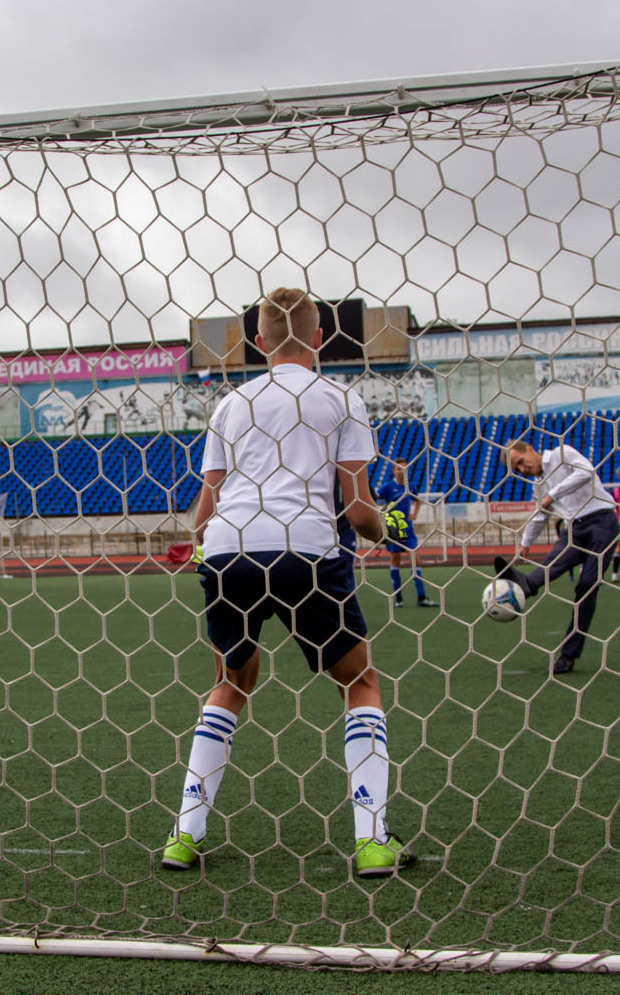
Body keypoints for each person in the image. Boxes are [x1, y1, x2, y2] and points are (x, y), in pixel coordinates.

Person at [164, 287, 417, 879]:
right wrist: (389, 528)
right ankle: (373, 839)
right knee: (359, 680)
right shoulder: (340, 399)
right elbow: (358, 512)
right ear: (321, 338)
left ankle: (184, 834)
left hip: (229, 550)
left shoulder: (231, 405)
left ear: (258, 343)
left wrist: (217, 554)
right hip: (305, 547)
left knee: (231, 683)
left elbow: (202, 517)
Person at [492, 440, 620, 675]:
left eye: (520, 462)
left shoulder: (563, 453)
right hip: (575, 529)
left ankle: (568, 656)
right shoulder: (539, 485)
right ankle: (525, 586)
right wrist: (525, 544)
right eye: (517, 469)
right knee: (552, 563)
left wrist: (552, 494)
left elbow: (586, 472)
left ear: (530, 449)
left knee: (586, 587)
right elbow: (541, 515)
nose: (522, 469)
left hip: (602, 522)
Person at [376, 458, 436, 608]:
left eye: (404, 468)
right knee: (396, 561)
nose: (402, 471)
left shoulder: (411, 487)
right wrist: (380, 516)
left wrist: (414, 513)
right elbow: (373, 500)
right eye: (398, 469)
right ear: (393, 471)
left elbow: (417, 500)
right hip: (394, 527)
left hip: (408, 528)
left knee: (416, 559)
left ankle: (421, 598)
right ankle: (398, 598)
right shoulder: (387, 487)